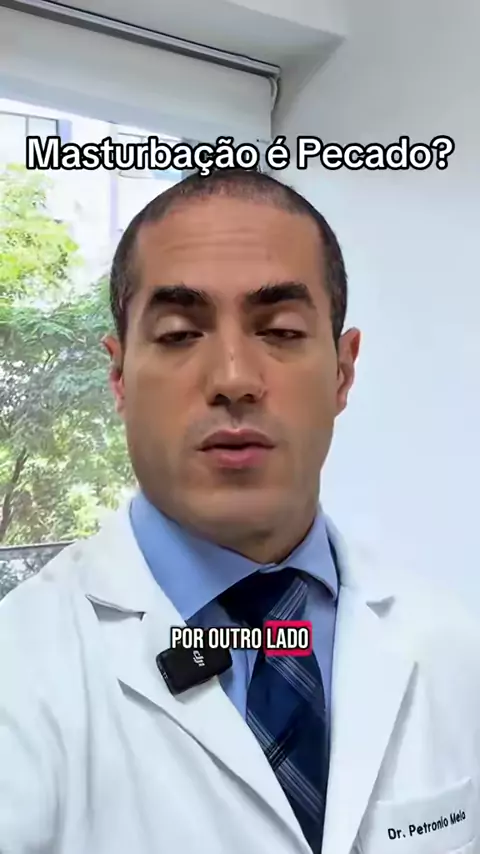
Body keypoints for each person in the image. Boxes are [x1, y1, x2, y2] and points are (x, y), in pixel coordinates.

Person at [0, 168, 479, 854]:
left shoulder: (452, 649)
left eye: (280, 330)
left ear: (342, 372)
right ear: (120, 376)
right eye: (178, 334)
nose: (233, 379)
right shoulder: (19, 674)